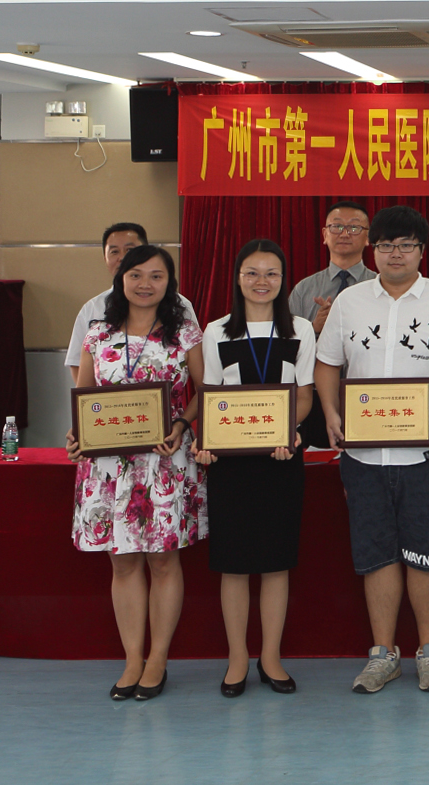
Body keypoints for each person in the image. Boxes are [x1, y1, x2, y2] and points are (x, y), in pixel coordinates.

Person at [313, 205, 429, 694]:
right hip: (363, 456)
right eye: (386, 245)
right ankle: (383, 654)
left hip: (426, 454)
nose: (395, 254)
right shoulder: (350, 302)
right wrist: (331, 413)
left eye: (406, 245)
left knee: (426, 553)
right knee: (376, 554)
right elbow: (327, 364)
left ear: (421, 251)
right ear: (373, 250)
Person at [65, 244, 206, 702]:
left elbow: (205, 389)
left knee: (163, 560)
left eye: (156, 276)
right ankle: (132, 659)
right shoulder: (97, 332)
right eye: (136, 274)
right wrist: (76, 436)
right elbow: (84, 397)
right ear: (120, 278)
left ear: (170, 283)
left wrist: (182, 425)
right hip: (108, 466)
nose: (146, 284)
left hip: (165, 460)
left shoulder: (184, 331)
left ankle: (158, 658)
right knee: (122, 562)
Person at [193, 239, 315, 697]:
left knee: (276, 563)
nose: (261, 282)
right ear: (238, 278)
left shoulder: (300, 329)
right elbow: (211, 396)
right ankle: (238, 658)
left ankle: (271, 656)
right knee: (235, 565)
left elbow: (304, 395)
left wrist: (289, 431)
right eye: (252, 272)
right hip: (231, 463)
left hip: (281, 458)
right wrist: (206, 443)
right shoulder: (216, 331)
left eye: (271, 273)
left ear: (283, 280)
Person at [289, 201, 377, 448]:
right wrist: (313, 329)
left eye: (354, 227)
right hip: (315, 399)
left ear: (368, 238)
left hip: (370, 395)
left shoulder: (380, 287)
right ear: (324, 235)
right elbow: (283, 348)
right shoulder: (304, 290)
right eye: (337, 226)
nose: (345, 233)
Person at [65, 222, 197, 386]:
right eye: (114, 251)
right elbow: (78, 367)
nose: (122, 258)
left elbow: (202, 381)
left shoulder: (183, 313)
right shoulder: (93, 315)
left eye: (129, 250)